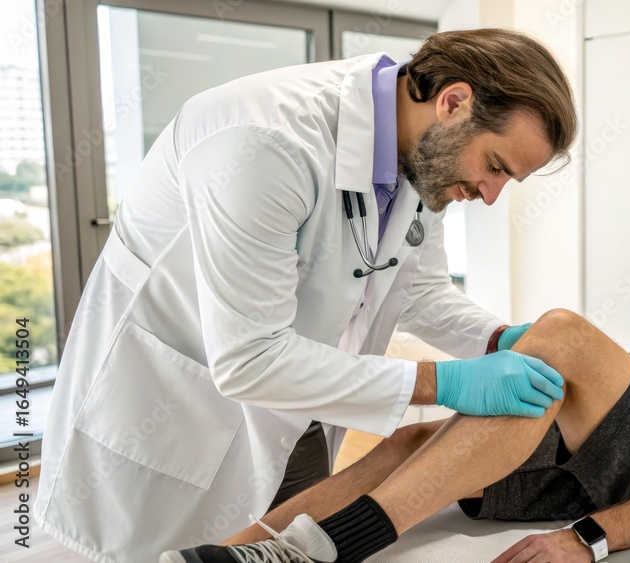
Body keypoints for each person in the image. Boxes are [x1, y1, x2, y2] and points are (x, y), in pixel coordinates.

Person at [161, 142, 630, 563]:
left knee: (558, 332)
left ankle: (337, 544)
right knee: (411, 444)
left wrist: (587, 539)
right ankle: (241, 550)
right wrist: (559, 397)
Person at [35, 29, 577, 562]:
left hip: (303, 402)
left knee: (291, 548)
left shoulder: (421, 157)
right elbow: (250, 358)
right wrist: (445, 382)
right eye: (495, 166)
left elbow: (418, 289)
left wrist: (498, 338)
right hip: (172, 412)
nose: (489, 195)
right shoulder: (265, 142)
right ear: (453, 103)